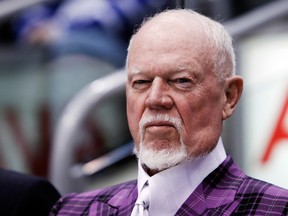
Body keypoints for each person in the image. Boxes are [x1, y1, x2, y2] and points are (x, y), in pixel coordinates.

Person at [50, 9, 288, 215]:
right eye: (141, 82)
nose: (155, 99)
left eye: (181, 80)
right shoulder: (72, 210)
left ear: (229, 96)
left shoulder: (276, 209)